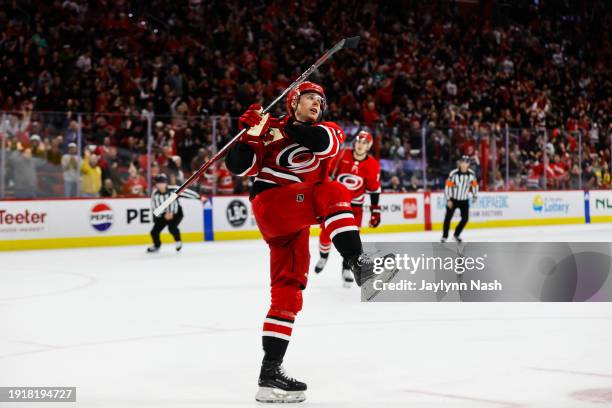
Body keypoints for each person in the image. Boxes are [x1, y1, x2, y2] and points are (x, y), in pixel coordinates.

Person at [225, 81, 373, 403]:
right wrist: (247, 134)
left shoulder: (328, 130)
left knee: (288, 293)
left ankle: (269, 375)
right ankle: (357, 262)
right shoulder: (269, 130)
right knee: (332, 191)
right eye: (309, 98)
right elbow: (238, 166)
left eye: (320, 100)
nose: (316, 104)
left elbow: (319, 142)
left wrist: (283, 127)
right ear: (292, 101)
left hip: (291, 225)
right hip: (272, 203)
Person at [314, 130, 381, 287]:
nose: (360, 145)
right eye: (359, 141)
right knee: (325, 233)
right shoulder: (342, 155)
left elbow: (374, 189)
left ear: (369, 146)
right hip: (334, 203)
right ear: (354, 142)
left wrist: (375, 210)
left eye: (365, 143)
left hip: (355, 207)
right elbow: (327, 174)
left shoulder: (372, 164)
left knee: (351, 240)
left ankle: (346, 268)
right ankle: (324, 256)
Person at [147, 173, 199, 253]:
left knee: (172, 227)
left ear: (166, 183)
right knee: (154, 232)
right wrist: (164, 214)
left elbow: (186, 192)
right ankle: (156, 245)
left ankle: (178, 241)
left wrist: (199, 197)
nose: (161, 185)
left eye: (163, 182)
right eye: (159, 183)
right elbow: (154, 206)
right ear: (156, 184)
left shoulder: (173, 189)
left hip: (176, 213)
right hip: (163, 215)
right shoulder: (155, 193)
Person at [441, 155, 479, 243]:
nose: (464, 164)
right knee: (448, 218)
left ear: (468, 164)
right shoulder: (453, 174)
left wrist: (475, 195)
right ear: (460, 163)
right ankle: (444, 236)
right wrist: (448, 199)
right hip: (453, 199)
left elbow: (475, 185)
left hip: (464, 200)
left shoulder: (472, 174)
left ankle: (456, 234)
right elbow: (448, 186)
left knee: (465, 218)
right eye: (462, 162)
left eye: (466, 162)